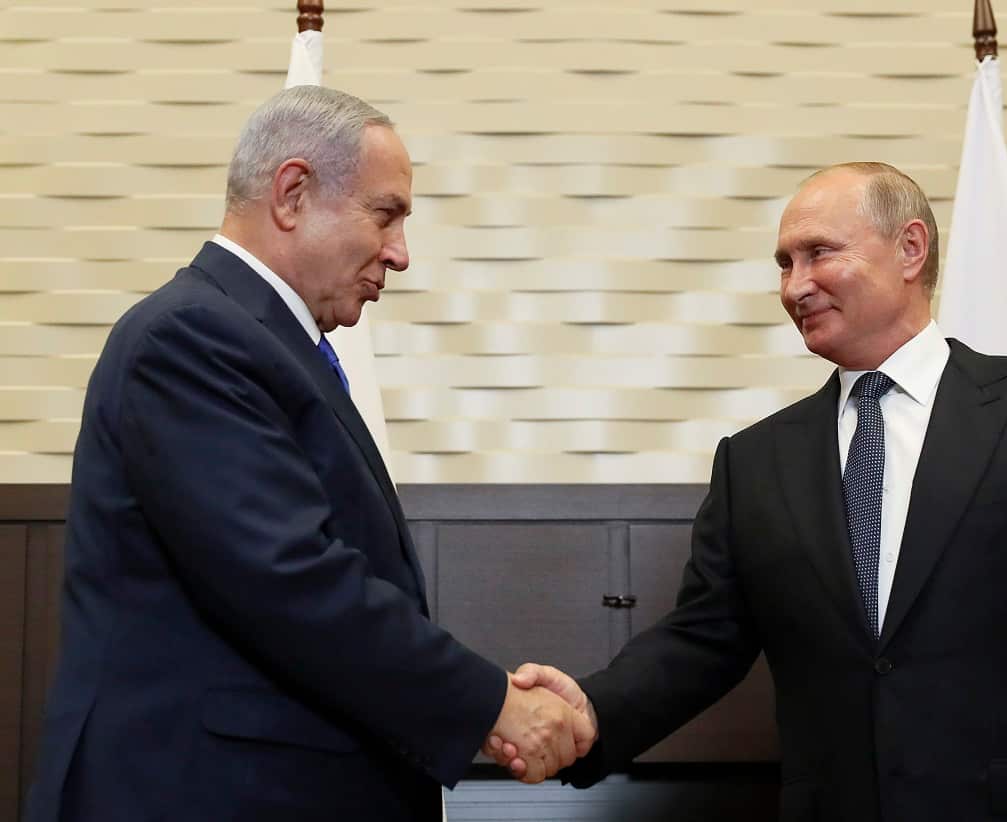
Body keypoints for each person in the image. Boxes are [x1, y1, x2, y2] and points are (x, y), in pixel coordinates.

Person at [489, 162, 1007, 820]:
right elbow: (702, 640)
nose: (795, 286)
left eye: (818, 253)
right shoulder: (756, 461)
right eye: (784, 264)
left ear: (910, 249)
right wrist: (589, 712)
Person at [25, 85, 594, 822]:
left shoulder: (265, 342)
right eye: (385, 214)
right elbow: (288, 575)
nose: (400, 253)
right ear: (292, 193)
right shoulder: (191, 337)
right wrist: (492, 705)